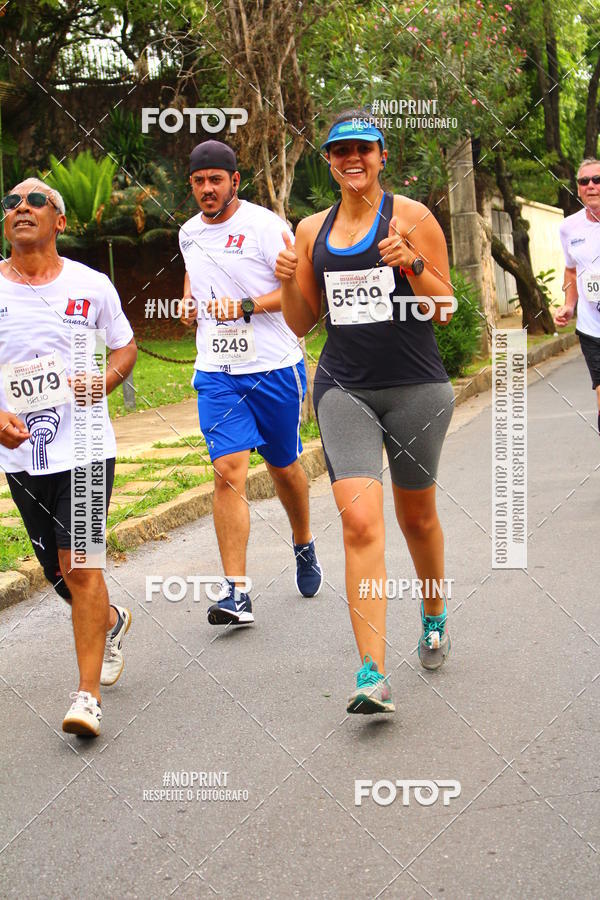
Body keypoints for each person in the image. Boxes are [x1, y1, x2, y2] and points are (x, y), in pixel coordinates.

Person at [275, 112, 456, 715]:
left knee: (418, 517)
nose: (351, 158)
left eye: (363, 149)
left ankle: (433, 609)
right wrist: (290, 283)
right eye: (339, 151)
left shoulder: (414, 218)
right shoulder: (309, 231)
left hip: (415, 389)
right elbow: (303, 322)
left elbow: (446, 306)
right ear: (328, 161)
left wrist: (411, 263)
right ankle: (371, 672)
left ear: (382, 155)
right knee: (359, 524)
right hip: (344, 388)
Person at [0, 178, 137, 737]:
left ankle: (86, 696)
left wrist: (104, 380)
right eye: (12, 202)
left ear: (60, 221)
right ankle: (110, 620)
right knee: (59, 572)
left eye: (36, 202)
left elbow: (125, 344)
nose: (22, 208)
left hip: (83, 446)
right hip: (21, 455)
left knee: (80, 566)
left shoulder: (92, 284)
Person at [178, 139, 323, 626]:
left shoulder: (265, 226)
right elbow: (193, 286)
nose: (207, 189)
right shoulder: (188, 234)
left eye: (215, 180)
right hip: (217, 374)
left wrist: (244, 307)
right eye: (199, 181)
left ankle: (303, 542)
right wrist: (186, 308)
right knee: (229, 470)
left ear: (234, 181)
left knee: (284, 468)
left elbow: (300, 292)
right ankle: (236, 593)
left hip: (273, 367)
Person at [555, 158, 600, 433]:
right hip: (592, 328)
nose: (591, 186)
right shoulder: (568, 228)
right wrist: (569, 305)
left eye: (597, 180)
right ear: (578, 188)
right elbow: (571, 271)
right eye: (585, 181)